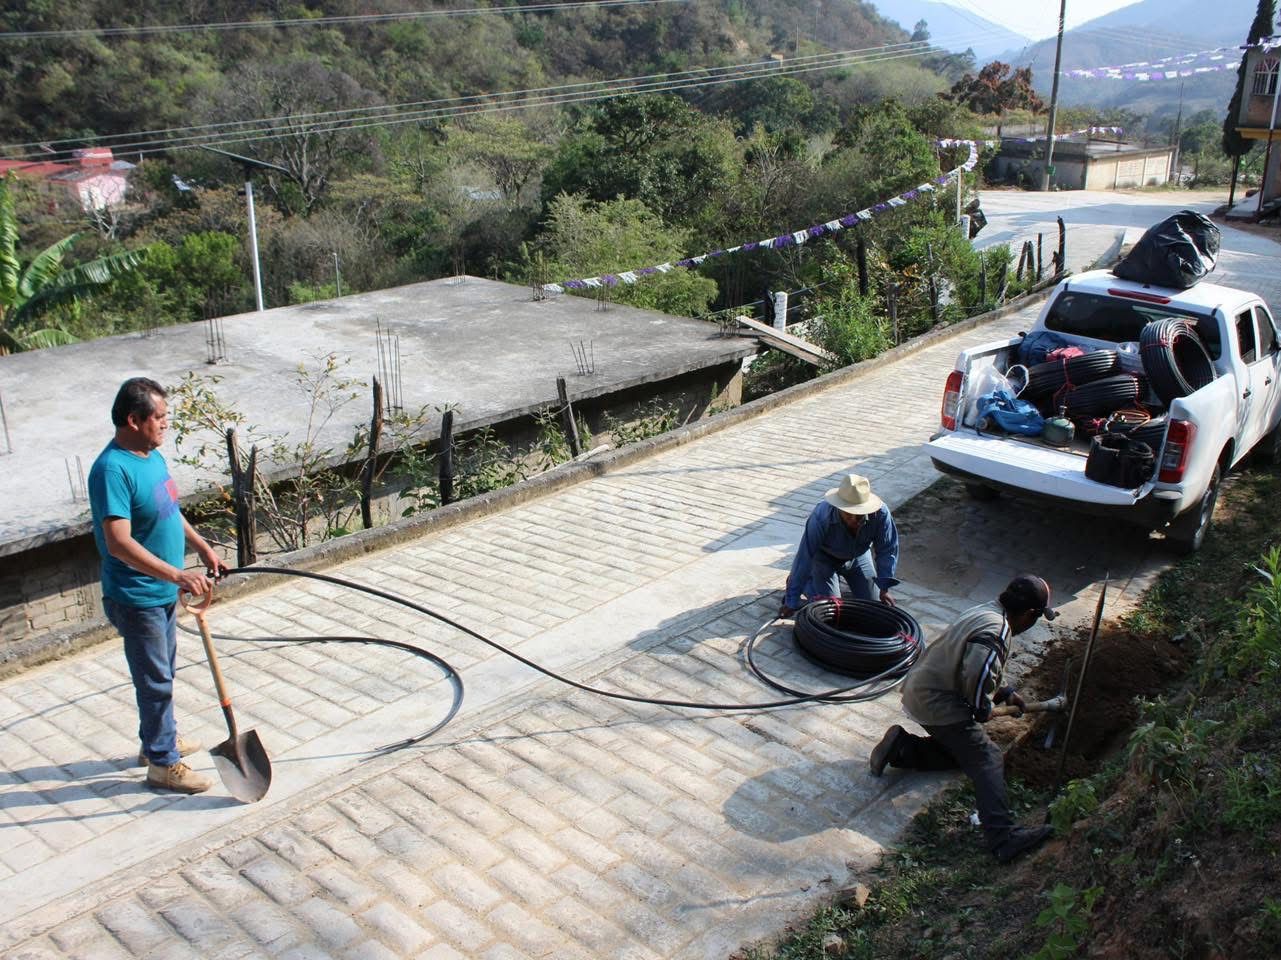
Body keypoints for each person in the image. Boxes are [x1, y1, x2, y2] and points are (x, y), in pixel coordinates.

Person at [88, 377, 227, 794]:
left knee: (161, 673)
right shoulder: (112, 470)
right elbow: (118, 543)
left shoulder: (151, 456)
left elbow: (169, 509)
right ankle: (163, 764)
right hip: (137, 596)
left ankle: (157, 741)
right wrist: (178, 575)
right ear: (134, 420)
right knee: (155, 680)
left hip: (162, 591)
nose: (166, 424)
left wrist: (201, 546)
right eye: (160, 417)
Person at [868, 574, 1058, 862]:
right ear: (1030, 614)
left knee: (963, 755)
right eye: (1037, 618)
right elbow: (977, 673)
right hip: (937, 703)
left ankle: (903, 748)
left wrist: (1005, 691)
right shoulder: (997, 631)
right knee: (987, 758)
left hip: (921, 689)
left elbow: (979, 663)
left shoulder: (987, 611)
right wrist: (982, 707)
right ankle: (1003, 838)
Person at [779, 473, 900, 618]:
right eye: (849, 514)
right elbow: (805, 557)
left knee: (872, 606)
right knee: (832, 611)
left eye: (860, 515)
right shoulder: (821, 516)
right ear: (839, 507)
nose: (854, 520)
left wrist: (884, 587)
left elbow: (887, 550)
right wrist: (791, 600)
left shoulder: (881, 514)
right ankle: (806, 583)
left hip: (859, 557)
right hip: (824, 559)